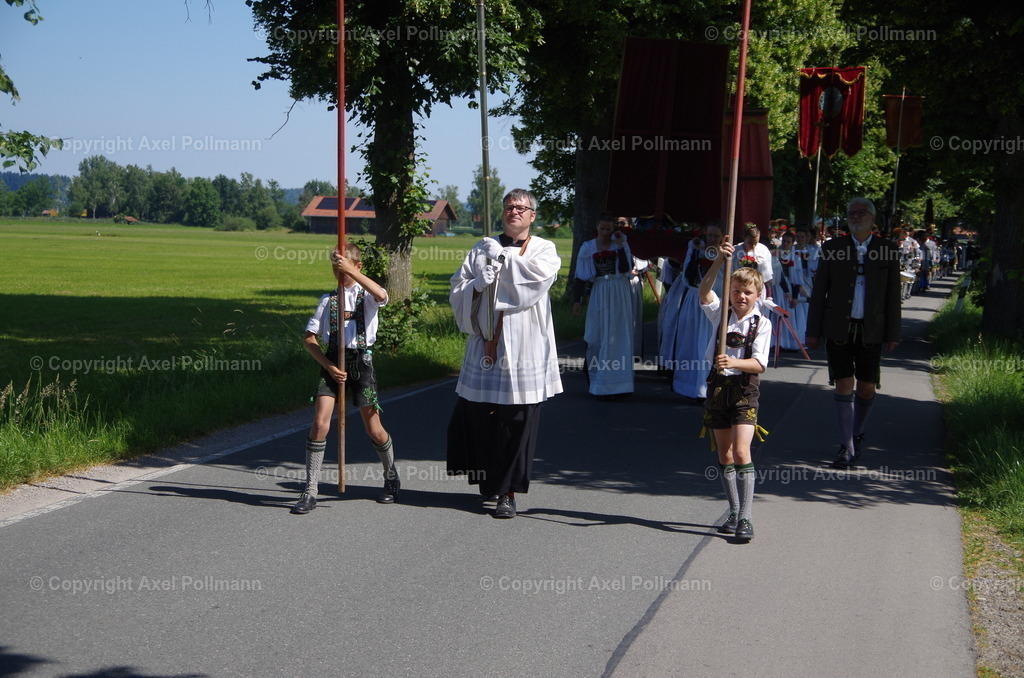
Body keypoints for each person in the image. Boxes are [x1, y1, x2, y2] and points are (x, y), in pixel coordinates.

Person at [447, 189, 563, 519]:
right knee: (482, 416)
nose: (514, 211)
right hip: (486, 343)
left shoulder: (544, 248)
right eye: (509, 206)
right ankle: (489, 480)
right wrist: (475, 286)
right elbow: (457, 288)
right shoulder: (482, 247)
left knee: (518, 420)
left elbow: (534, 282)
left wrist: (503, 258)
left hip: (525, 345)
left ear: (532, 216)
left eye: (521, 207)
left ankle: (508, 492)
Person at [291, 243, 399, 514]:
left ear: (358, 266)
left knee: (373, 428)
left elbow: (383, 294)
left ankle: (390, 476)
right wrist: (327, 365)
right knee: (319, 423)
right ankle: (311, 489)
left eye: (345, 267)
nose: (340, 273)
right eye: (335, 267)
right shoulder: (328, 300)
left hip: (361, 363)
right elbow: (309, 339)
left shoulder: (368, 296)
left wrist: (352, 270)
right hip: (331, 364)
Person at [806, 197, 901, 469]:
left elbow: (893, 295)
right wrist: (813, 332)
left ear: (873, 219)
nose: (855, 216)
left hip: (872, 329)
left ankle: (857, 432)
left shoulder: (887, 249)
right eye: (851, 212)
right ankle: (846, 445)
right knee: (844, 382)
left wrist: (893, 332)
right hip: (838, 327)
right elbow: (818, 292)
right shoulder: (833, 247)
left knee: (867, 386)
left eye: (861, 213)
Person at [698, 236, 772, 542]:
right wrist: (719, 260)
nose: (741, 296)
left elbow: (759, 364)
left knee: (743, 450)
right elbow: (703, 292)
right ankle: (733, 511)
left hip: (744, 392)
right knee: (725, 454)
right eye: (737, 291)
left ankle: (747, 517)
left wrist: (733, 361)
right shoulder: (720, 314)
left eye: (747, 293)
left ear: (757, 296)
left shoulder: (762, 324)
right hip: (718, 389)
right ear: (729, 291)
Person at [573, 212, 636, 398]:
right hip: (600, 290)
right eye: (602, 229)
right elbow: (580, 277)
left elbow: (626, 268)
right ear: (597, 229)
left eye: (609, 229)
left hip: (619, 290)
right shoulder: (588, 247)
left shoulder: (620, 244)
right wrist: (577, 301)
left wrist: (620, 245)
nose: (605, 232)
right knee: (597, 334)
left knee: (618, 334)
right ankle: (597, 380)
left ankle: (620, 385)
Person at [671, 221, 725, 402]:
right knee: (691, 342)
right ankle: (689, 385)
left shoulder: (725, 254)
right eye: (710, 235)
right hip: (695, 300)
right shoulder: (695, 250)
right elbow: (688, 276)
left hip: (715, 303)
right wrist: (695, 253)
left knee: (708, 343)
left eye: (716, 236)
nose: (712, 239)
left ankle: (707, 386)